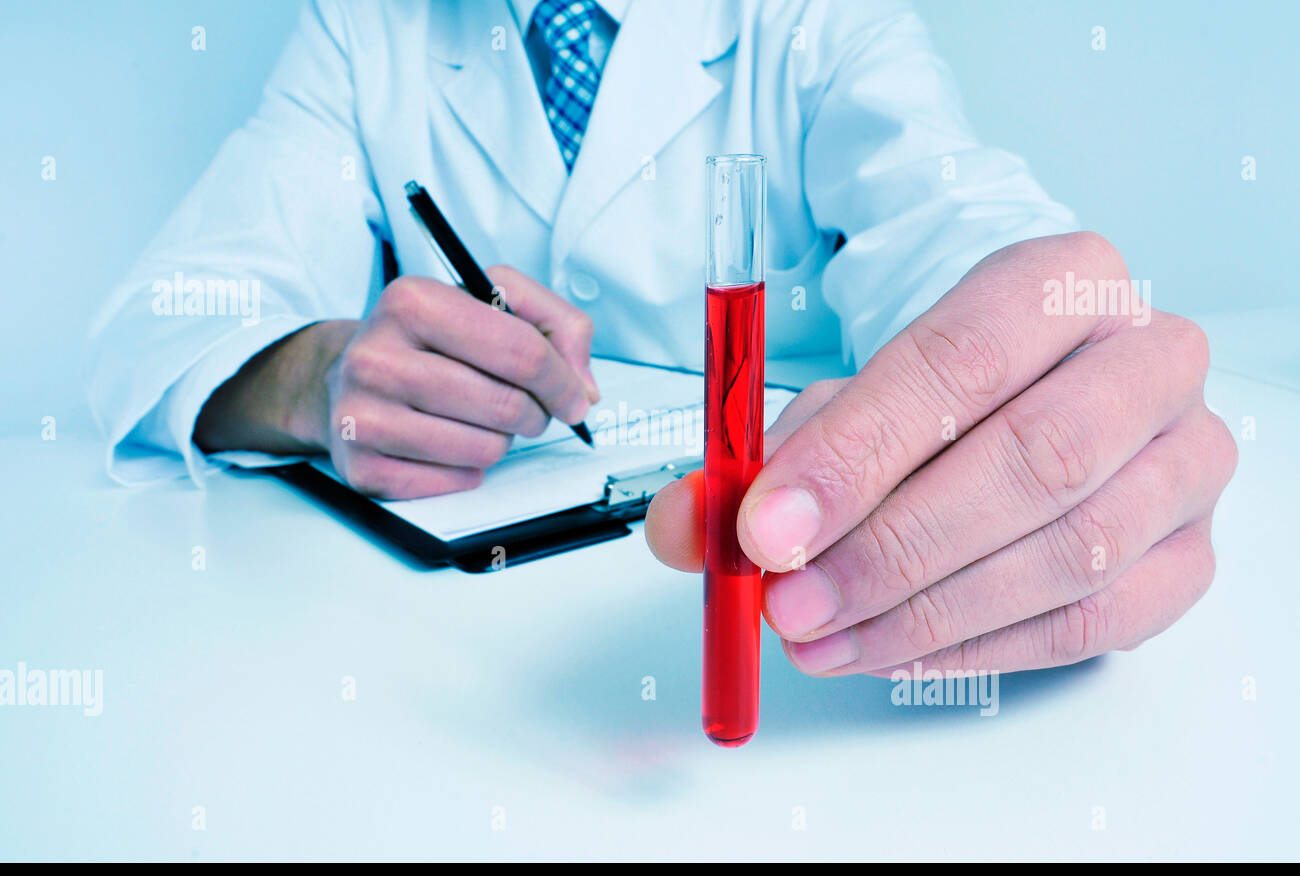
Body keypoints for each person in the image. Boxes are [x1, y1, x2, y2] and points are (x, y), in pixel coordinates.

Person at [86, 0, 1234, 675]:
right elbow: (162, 321)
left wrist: (1041, 353)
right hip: (445, 640)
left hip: (746, 604)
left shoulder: (811, 22)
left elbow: (953, 218)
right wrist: (316, 376)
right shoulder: (361, 27)